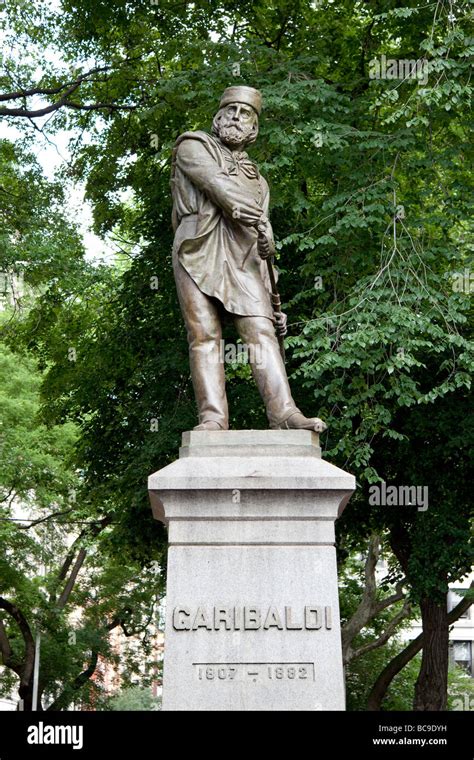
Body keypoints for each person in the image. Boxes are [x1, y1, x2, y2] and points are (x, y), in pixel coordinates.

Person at [171, 85, 327, 433]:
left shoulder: (260, 181)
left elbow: (261, 246)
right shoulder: (193, 145)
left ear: (254, 129)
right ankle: (212, 418)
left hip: (243, 258)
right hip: (197, 245)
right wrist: (262, 222)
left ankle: (285, 414)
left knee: (261, 330)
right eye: (231, 111)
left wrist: (273, 290)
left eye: (246, 115)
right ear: (218, 116)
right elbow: (218, 187)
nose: (237, 119)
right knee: (204, 334)